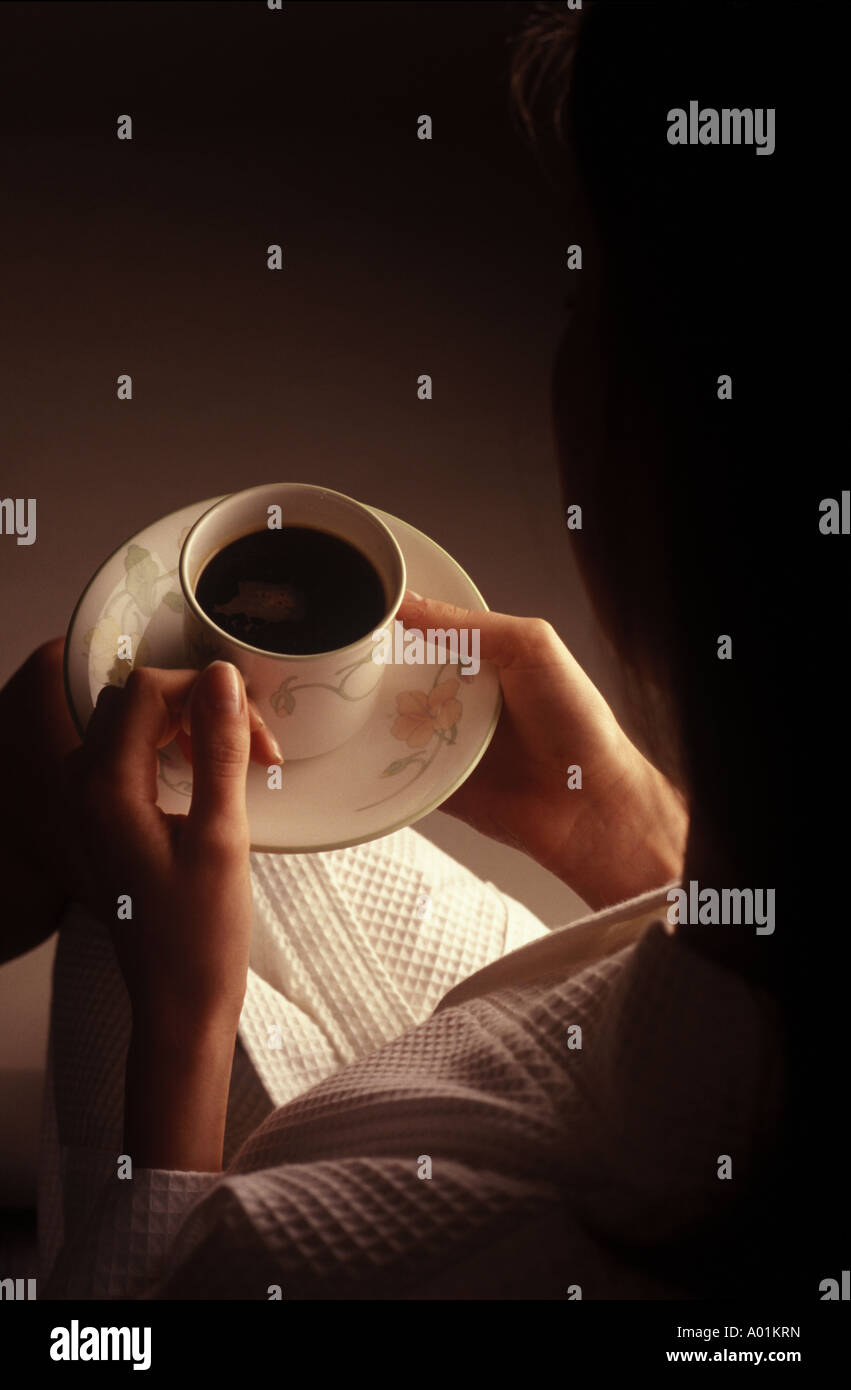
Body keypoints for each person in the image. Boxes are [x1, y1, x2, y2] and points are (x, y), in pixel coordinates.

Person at [0, 1, 817, 1298]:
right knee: (73, 713)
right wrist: (647, 845)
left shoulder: (351, 1261)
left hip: (262, 1198)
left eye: (589, 277)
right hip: (633, 1013)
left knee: (87, 742)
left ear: (659, 477)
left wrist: (183, 1028)